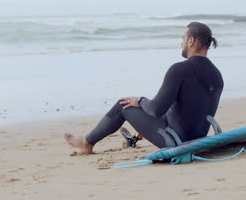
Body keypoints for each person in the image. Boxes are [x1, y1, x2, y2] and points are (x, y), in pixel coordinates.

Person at [64, 22, 224, 154]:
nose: (181, 43)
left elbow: (155, 110)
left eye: (183, 38)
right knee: (159, 106)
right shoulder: (217, 75)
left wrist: (140, 100)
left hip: (176, 140)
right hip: (198, 139)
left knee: (124, 104)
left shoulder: (179, 69)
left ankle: (86, 142)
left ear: (191, 41)